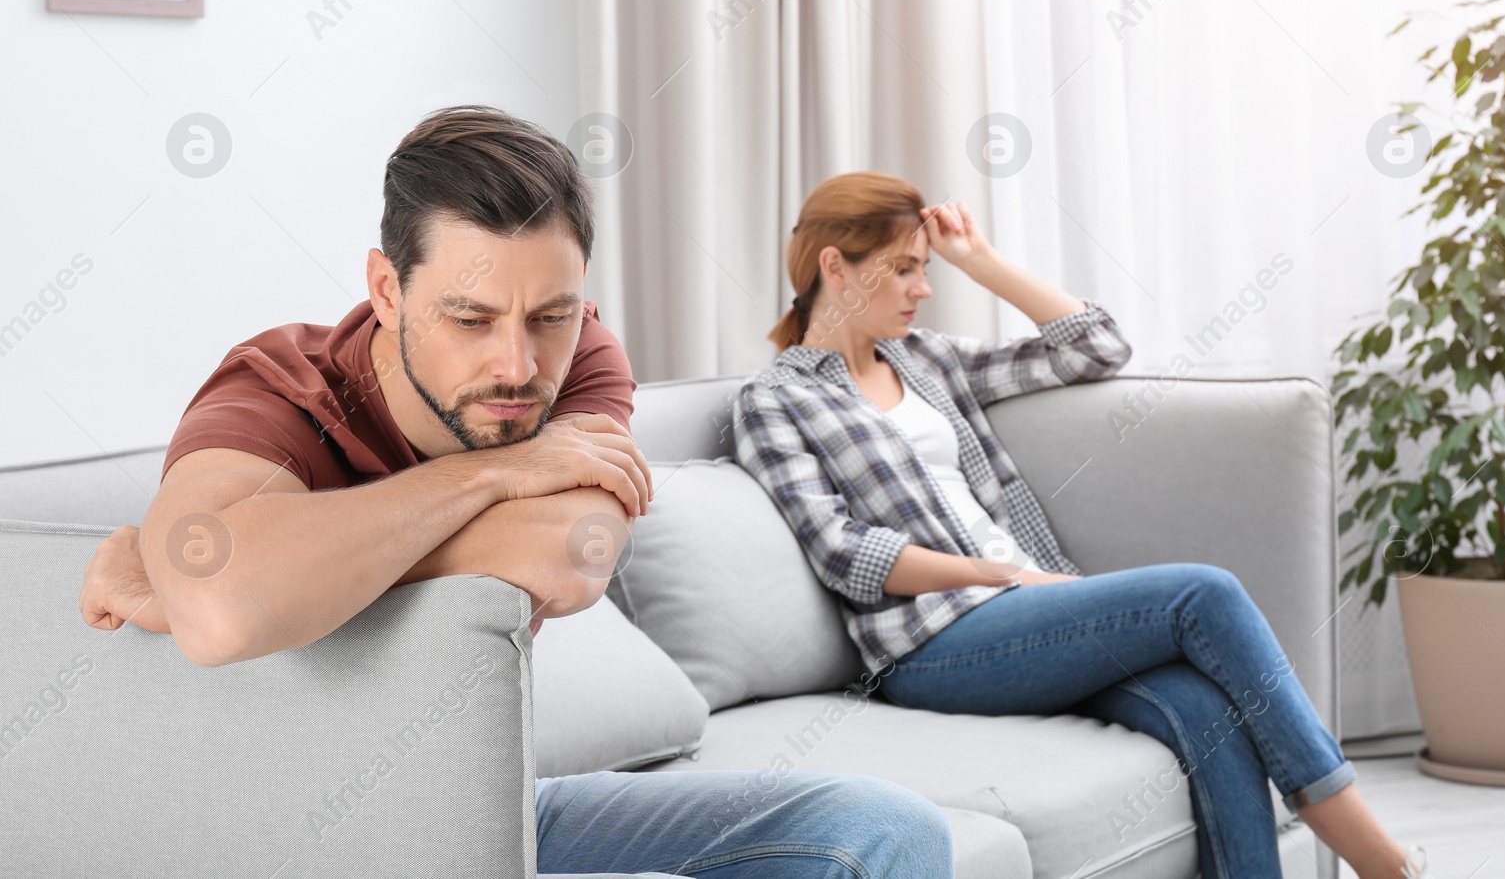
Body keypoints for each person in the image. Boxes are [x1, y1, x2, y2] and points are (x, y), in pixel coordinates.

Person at [77, 109, 953, 879]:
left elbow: (566, 560)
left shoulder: (584, 356)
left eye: (551, 316)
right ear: (388, 290)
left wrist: (231, 581)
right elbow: (225, 617)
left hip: (488, 811)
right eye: (470, 318)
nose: (519, 365)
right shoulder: (275, 390)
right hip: (286, 844)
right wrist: (490, 474)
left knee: (883, 831)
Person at [733, 171, 1431, 879]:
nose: (924, 288)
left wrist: (982, 259)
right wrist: (999, 573)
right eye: (905, 268)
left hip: (1030, 609)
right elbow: (845, 551)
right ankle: (1381, 863)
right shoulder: (776, 400)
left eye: (928, 269)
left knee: (1203, 708)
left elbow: (1093, 347)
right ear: (834, 266)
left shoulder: (928, 361)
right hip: (934, 643)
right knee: (1204, 595)